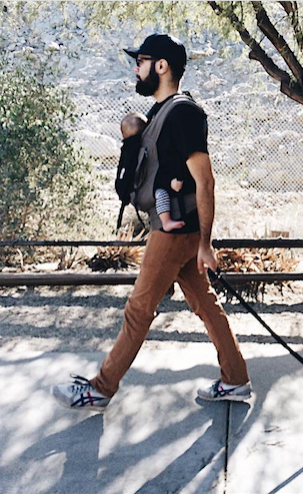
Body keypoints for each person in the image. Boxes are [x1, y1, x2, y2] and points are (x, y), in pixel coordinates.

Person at [51, 34, 251, 412]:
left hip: (175, 232)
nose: (135, 68)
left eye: (141, 61)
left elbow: (205, 180)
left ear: (161, 67)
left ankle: (101, 388)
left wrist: (205, 243)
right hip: (179, 229)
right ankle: (236, 380)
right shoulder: (162, 113)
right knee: (206, 305)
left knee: (139, 311)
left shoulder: (182, 114)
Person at [120, 112, 186, 232]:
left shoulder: (128, 151)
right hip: (148, 189)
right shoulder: (144, 146)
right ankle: (166, 221)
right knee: (161, 193)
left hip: (135, 193)